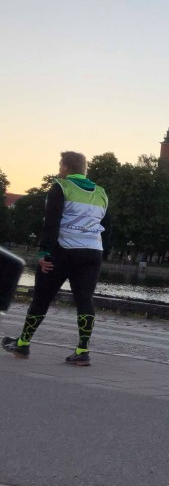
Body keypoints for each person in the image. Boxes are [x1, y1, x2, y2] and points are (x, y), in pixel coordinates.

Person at [3, 151, 109, 366]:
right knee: (84, 300)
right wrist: (101, 254)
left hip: (63, 251)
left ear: (65, 168)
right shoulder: (101, 193)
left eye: (60, 165)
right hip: (92, 253)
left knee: (42, 297)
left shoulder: (61, 187)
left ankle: (23, 343)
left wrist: (44, 253)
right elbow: (108, 227)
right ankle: (82, 350)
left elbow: (51, 222)